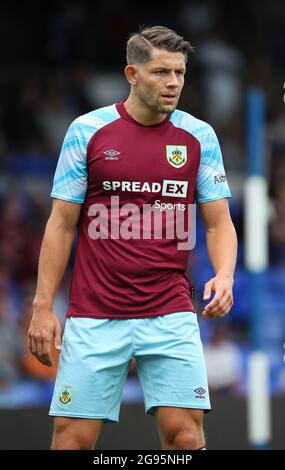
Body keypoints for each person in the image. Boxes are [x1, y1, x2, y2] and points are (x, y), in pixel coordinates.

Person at [28, 25, 237, 450]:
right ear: (132, 74)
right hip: (94, 313)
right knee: (71, 442)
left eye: (180, 73)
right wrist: (43, 306)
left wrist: (226, 273)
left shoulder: (199, 137)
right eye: (162, 72)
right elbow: (61, 224)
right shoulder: (87, 132)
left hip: (171, 312)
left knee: (185, 438)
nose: (174, 83)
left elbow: (218, 223)